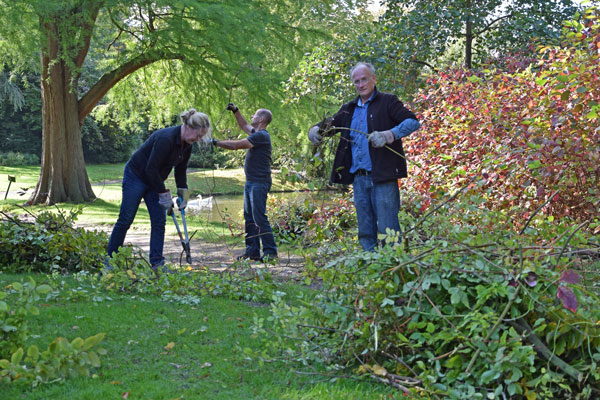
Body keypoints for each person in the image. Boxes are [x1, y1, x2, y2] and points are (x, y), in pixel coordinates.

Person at [308, 62, 420, 251]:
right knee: (365, 231)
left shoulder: (388, 101)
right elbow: (329, 126)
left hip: (383, 177)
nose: (361, 84)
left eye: (364, 79)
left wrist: (388, 135)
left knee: (388, 228)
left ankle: (393, 268)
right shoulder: (348, 109)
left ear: (374, 79)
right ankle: (369, 267)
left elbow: (413, 122)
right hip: (359, 179)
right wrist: (315, 131)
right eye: (356, 81)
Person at [106, 109, 211, 270]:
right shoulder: (166, 138)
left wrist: (184, 193)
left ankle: (157, 263)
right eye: (197, 135)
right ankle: (111, 261)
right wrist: (163, 193)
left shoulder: (187, 145)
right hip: (137, 176)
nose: (198, 140)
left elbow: (180, 171)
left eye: (200, 137)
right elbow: (150, 168)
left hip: (154, 180)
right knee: (125, 219)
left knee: (159, 221)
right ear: (189, 126)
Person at [213, 104, 278, 261]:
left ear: (261, 119)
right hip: (251, 182)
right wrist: (236, 111)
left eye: (254, 115)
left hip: (259, 182)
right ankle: (252, 251)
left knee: (259, 218)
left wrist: (214, 142)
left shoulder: (262, 136)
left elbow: (235, 146)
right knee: (249, 218)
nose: (252, 117)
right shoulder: (257, 133)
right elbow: (243, 125)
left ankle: (270, 252)